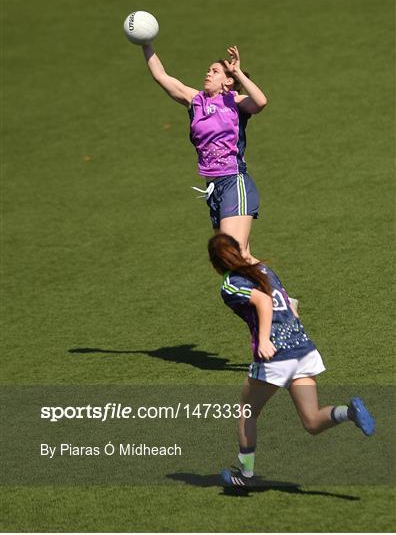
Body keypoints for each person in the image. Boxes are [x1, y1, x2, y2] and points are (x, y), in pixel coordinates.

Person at [207, 233, 375, 487]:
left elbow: (263, 301)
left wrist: (264, 339)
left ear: (215, 264)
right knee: (312, 421)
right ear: (238, 250)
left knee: (246, 411)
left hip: (276, 356)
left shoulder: (230, 284)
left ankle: (245, 476)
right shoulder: (264, 269)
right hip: (303, 349)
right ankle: (349, 412)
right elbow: (290, 304)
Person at [141, 44, 268, 262]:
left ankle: (277, 297)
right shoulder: (195, 100)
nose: (208, 73)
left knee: (234, 253)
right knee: (234, 256)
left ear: (228, 81)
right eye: (208, 70)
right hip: (213, 188)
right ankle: (280, 296)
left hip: (233, 181)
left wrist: (238, 72)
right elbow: (160, 76)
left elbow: (260, 102)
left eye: (215, 71)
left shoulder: (234, 101)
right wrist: (146, 44)